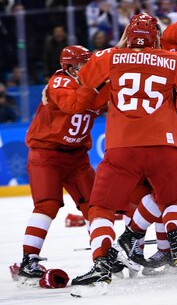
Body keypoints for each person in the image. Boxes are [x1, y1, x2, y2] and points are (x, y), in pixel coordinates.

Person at [71, 13, 177, 295]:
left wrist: (119, 48)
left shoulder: (110, 55)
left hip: (122, 144)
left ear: (128, 35)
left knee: (101, 208)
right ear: (155, 37)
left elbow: (84, 79)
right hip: (164, 141)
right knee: (172, 198)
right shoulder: (172, 59)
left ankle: (102, 263)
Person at [16, 46, 108, 285]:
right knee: (47, 205)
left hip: (77, 157)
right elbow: (73, 105)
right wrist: (95, 86)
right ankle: (29, 260)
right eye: (84, 65)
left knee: (95, 206)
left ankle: (103, 257)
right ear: (69, 68)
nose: (90, 69)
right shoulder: (59, 83)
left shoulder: (92, 84)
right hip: (47, 154)